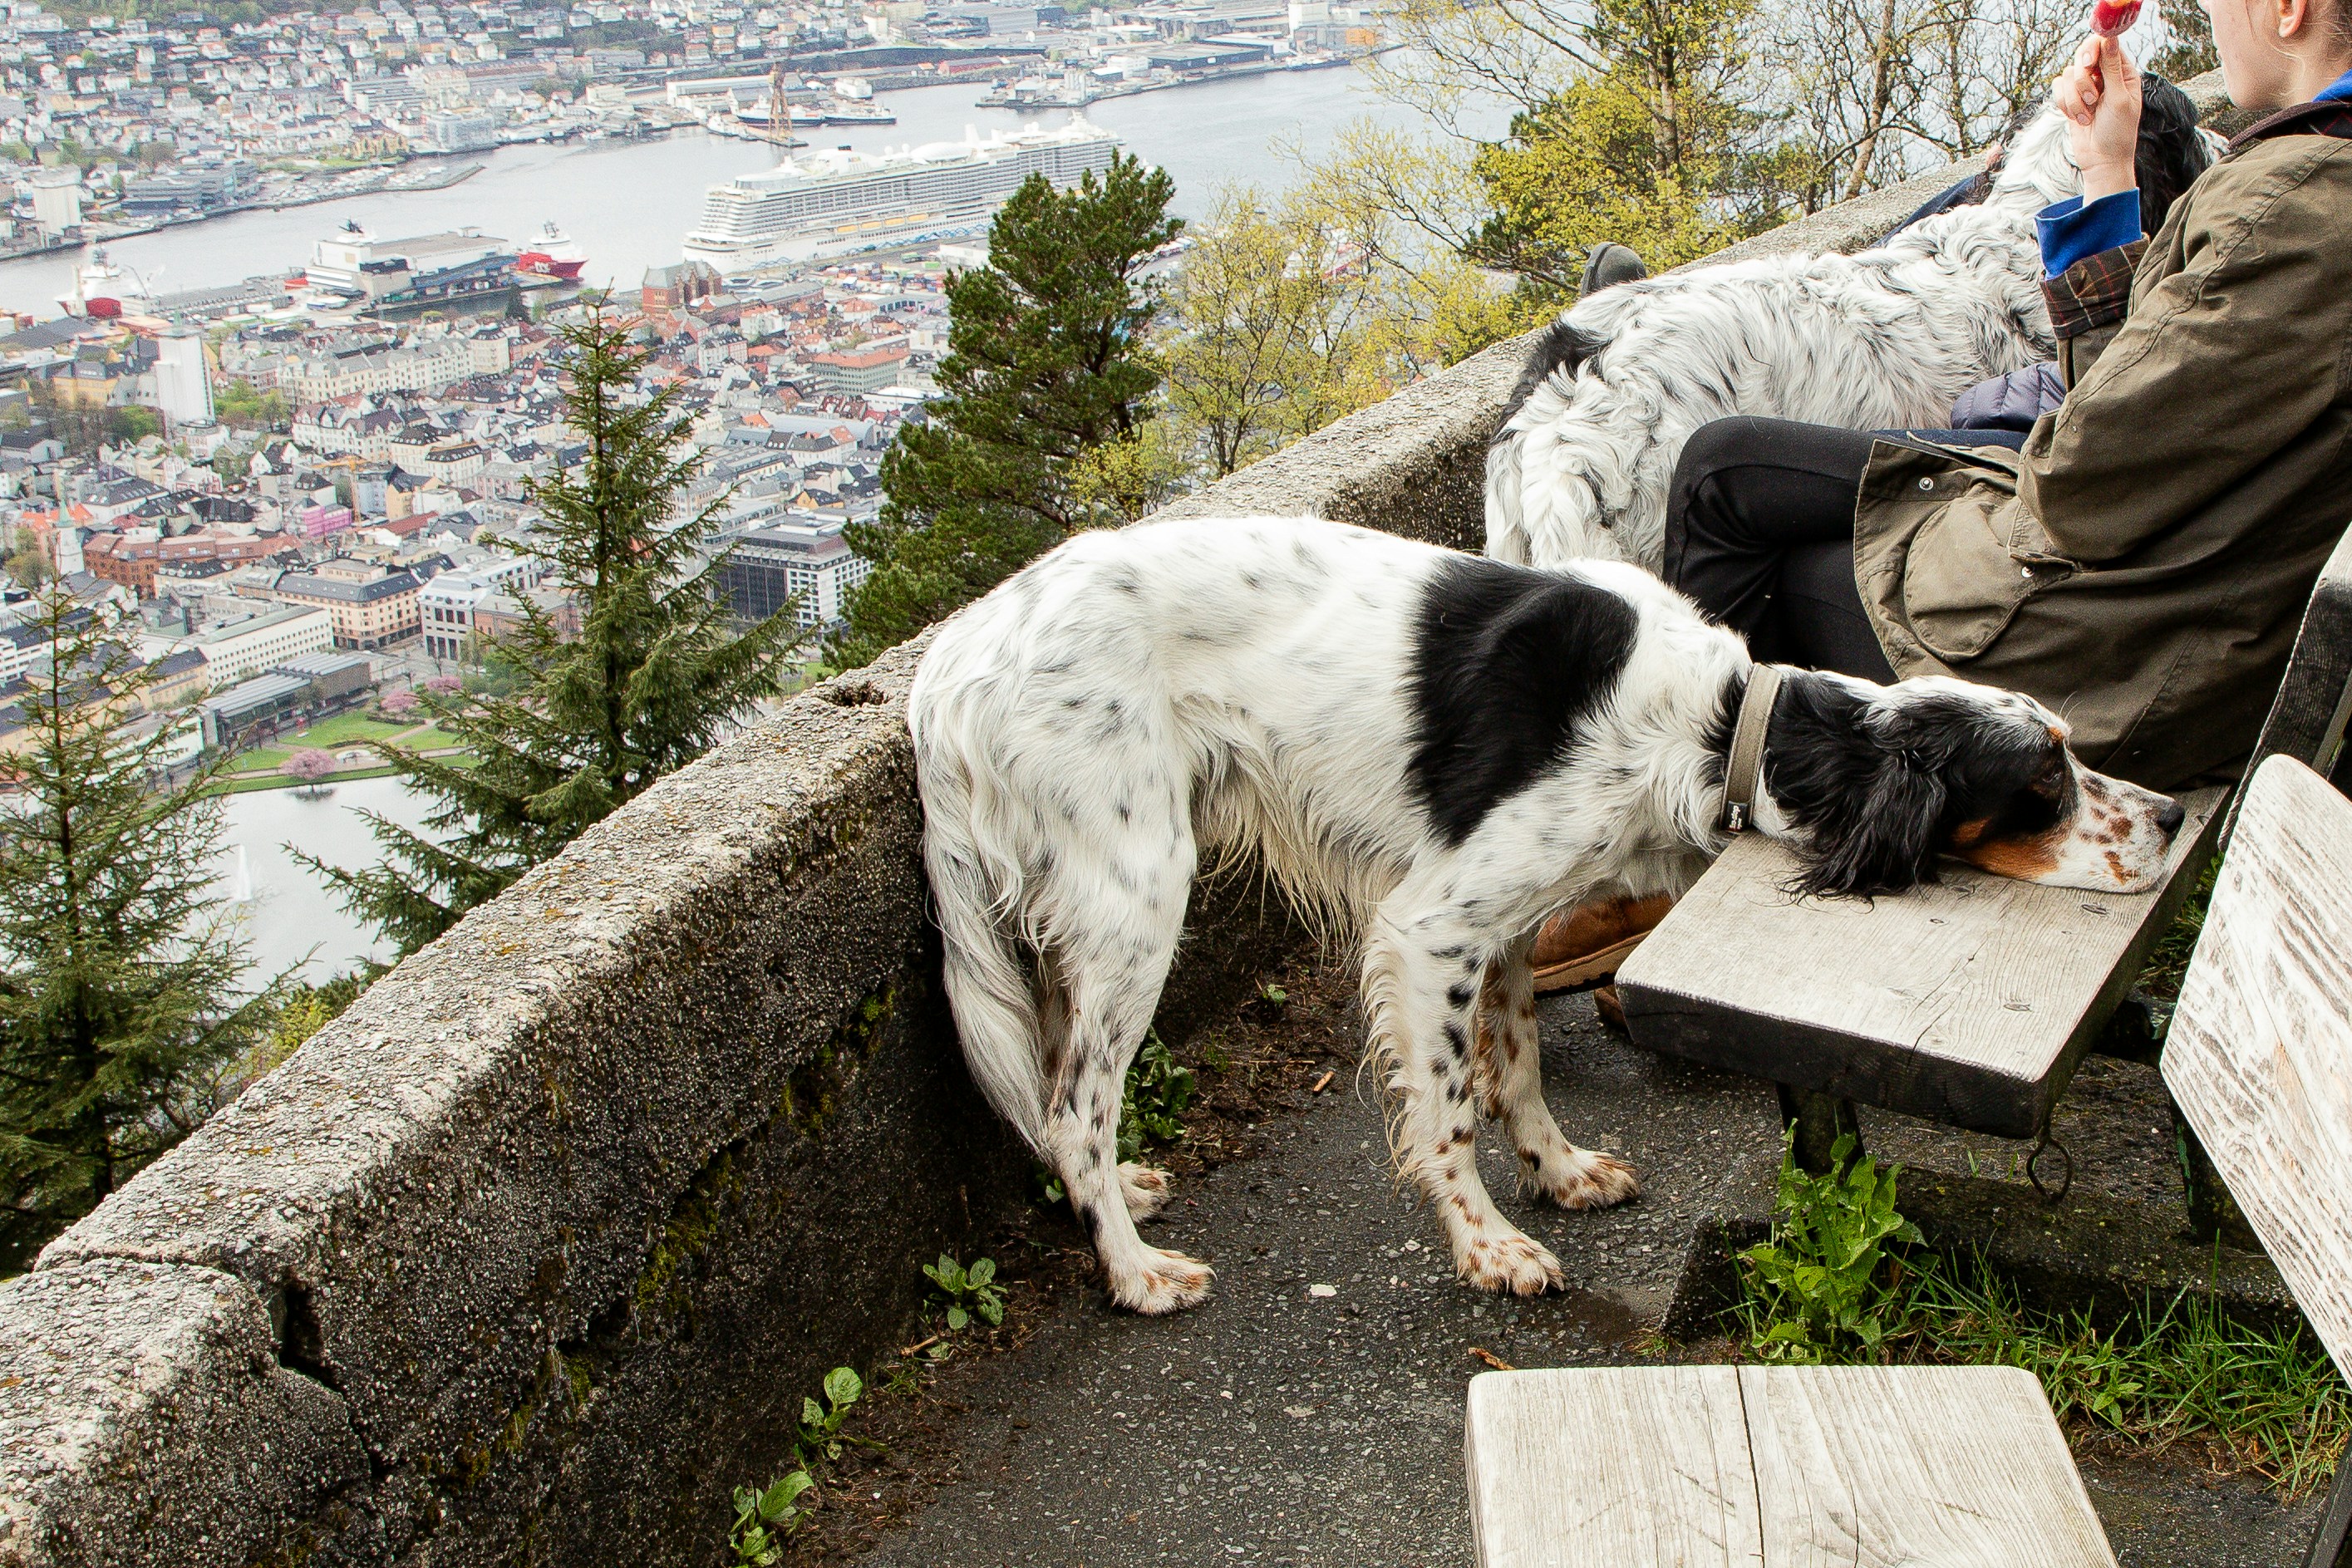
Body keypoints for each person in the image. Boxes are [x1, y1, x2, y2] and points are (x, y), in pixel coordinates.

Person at [1535, 0, 2352, 998]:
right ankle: (1696, 849)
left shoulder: (2297, 207)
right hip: (2187, 610)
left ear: (2289, 9)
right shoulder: (2311, 184)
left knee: (1726, 488)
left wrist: (1966, 465)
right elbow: (2142, 417)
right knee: (1741, 477)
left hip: (2108, 654)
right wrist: (2104, 174)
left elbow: (2083, 489)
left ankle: (1679, 872)